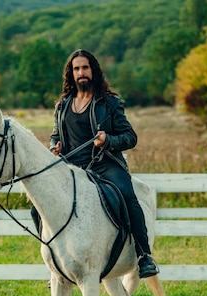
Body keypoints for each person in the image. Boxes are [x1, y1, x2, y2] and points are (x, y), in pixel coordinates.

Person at [49, 49, 159, 279]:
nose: (81, 72)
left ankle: (143, 256)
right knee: (39, 206)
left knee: (127, 195)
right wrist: (55, 146)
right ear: (71, 73)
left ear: (94, 70)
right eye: (76, 68)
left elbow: (130, 137)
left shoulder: (109, 103)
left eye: (85, 67)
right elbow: (55, 135)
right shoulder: (62, 106)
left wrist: (108, 140)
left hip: (105, 165)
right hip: (72, 170)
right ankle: (59, 265)